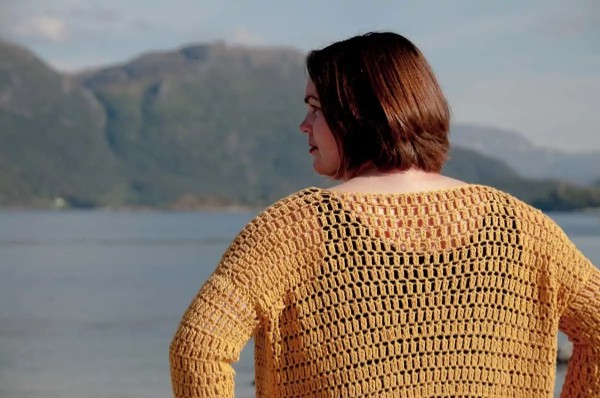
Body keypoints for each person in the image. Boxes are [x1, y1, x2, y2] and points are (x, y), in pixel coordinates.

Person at [169, 32, 599, 397]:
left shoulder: (295, 228)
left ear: (356, 114)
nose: (304, 124)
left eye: (316, 108)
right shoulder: (521, 227)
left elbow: (199, 348)